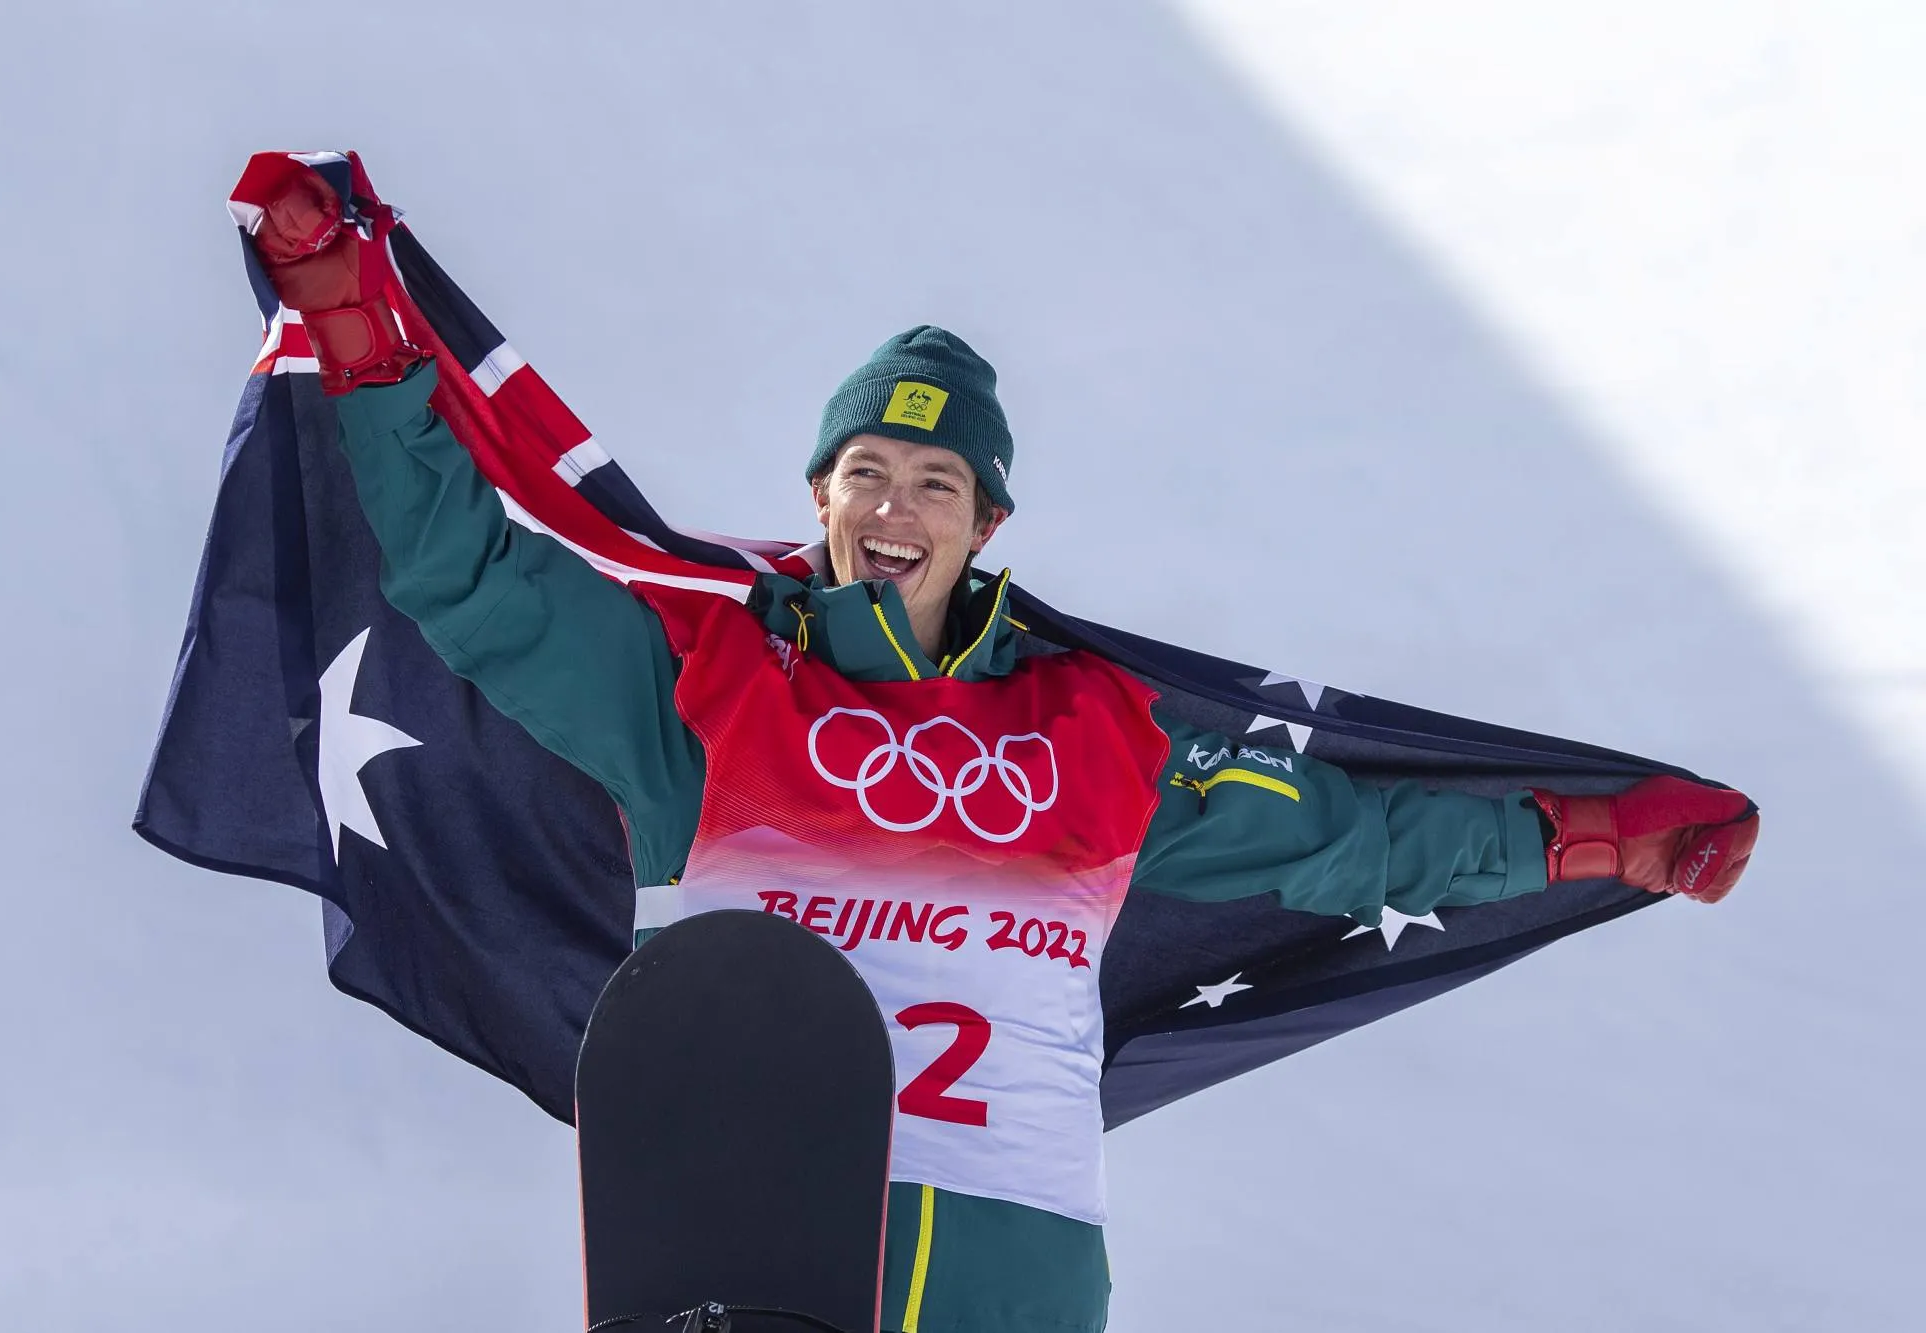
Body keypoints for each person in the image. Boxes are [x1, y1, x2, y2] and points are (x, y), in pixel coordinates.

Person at [246, 160, 1758, 1333]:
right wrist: (361, 340)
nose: (896, 507)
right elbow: (474, 583)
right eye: (867, 474)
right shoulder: (706, 687)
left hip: (1017, 1247)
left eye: (935, 484)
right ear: (820, 498)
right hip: (755, 1228)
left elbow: (1353, 841)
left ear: (987, 528)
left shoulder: (1099, 729)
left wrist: (1592, 839)